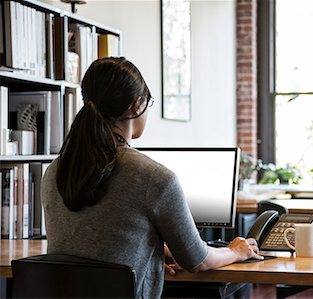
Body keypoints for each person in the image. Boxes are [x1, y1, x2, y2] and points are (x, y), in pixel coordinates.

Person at [41, 57, 262, 298]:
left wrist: (149, 256)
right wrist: (235, 251)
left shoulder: (53, 171)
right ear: (137, 105)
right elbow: (198, 260)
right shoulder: (153, 177)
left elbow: (90, 247)